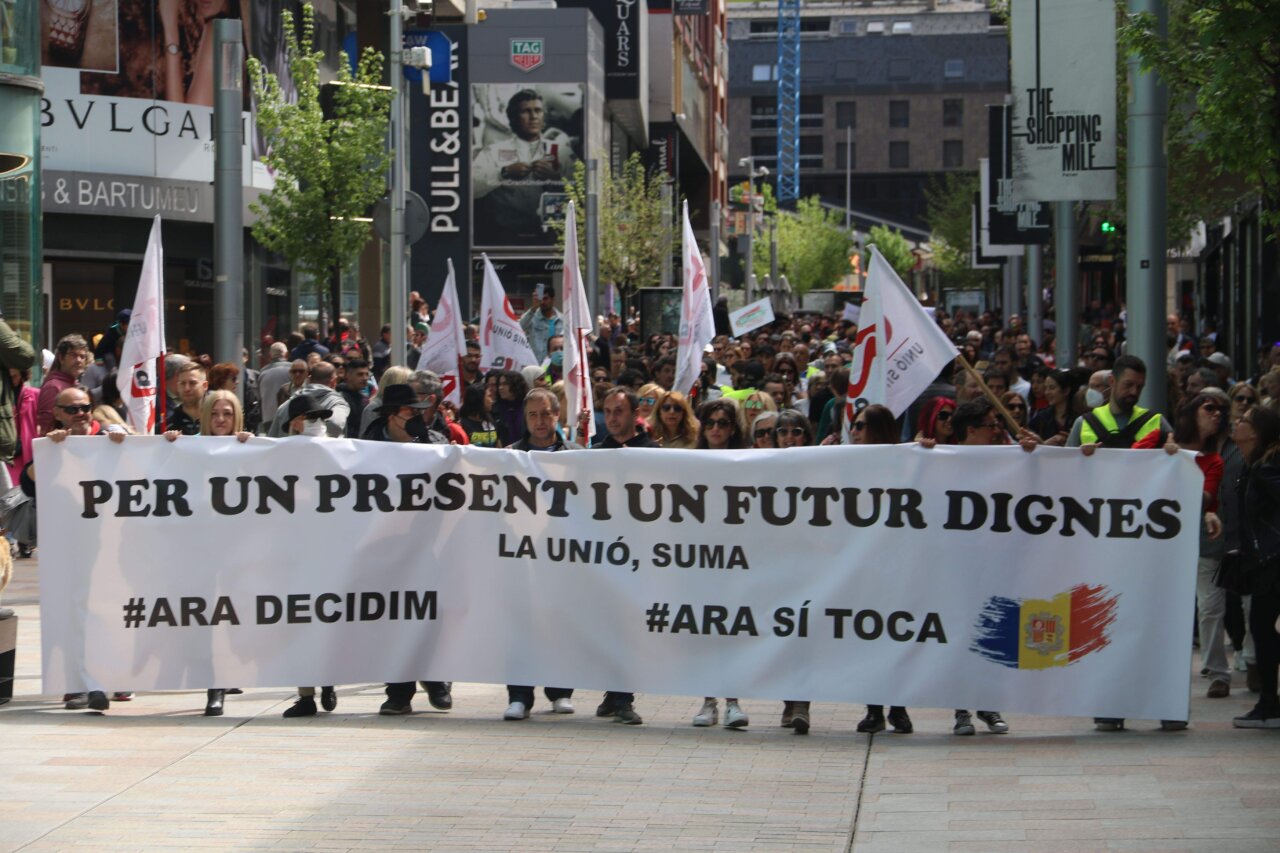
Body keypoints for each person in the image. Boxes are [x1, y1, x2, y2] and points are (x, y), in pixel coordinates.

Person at [161, 390, 253, 715]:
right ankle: (214, 683)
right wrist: (170, 447)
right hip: (198, 547)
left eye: (227, 414)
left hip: (236, 548)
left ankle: (227, 675)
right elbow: (163, 482)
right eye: (215, 414)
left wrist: (251, 451)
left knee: (234, 615)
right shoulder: (189, 446)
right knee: (206, 616)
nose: (221, 420)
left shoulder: (247, 446)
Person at [41, 386, 130, 712]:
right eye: (73, 409)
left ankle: (111, 676)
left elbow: (144, 462)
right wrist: (50, 454)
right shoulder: (51, 445)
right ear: (59, 413)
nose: (81, 414)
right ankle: (81, 684)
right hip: (72, 549)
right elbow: (27, 483)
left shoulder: (109, 435)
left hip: (113, 546)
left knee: (110, 613)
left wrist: (123, 439)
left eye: (86, 407)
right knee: (75, 614)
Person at [366, 384, 453, 715]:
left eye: (420, 411)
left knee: (430, 612)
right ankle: (399, 691)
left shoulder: (433, 444)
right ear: (392, 415)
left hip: (427, 544)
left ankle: (434, 677)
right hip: (383, 546)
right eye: (410, 411)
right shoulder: (365, 446)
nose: (417, 416)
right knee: (393, 616)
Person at [502, 387, 579, 720]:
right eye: (533, 415)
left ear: (557, 415)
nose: (540, 421)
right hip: (521, 557)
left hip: (562, 557)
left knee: (559, 623)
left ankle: (560, 691)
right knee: (521, 624)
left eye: (546, 414)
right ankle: (519, 695)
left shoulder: (577, 456)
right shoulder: (509, 457)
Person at [943, 400, 1011, 736]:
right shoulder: (943, 460)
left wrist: (1032, 452)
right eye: (990, 424)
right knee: (960, 635)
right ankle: (961, 710)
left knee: (991, 633)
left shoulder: (1006, 458)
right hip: (956, 566)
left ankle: (988, 704)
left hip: (993, 563)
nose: (997, 429)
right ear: (970, 430)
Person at [590, 387, 656, 725]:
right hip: (604, 554)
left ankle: (622, 696)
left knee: (629, 626)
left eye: (619, 411)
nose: (612, 418)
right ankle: (613, 694)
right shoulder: (595, 454)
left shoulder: (653, 452)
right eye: (608, 411)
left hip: (642, 556)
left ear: (634, 413)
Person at [684, 398, 750, 729]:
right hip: (701, 560)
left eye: (722, 423)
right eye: (709, 423)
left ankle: (734, 701)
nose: (715, 429)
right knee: (706, 632)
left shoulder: (749, 462)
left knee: (732, 631)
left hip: (738, 561)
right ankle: (709, 701)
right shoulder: (692, 463)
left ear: (733, 428)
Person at [852, 404, 914, 735]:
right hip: (863, 567)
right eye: (854, 425)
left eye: (861, 426)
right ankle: (874, 709)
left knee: (897, 635)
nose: (855, 431)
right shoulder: (847, 463)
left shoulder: (907, 460)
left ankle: (899, 707)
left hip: (898, 565)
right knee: (869, 637)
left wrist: (928, 453)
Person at [1229, 405, 1280, 728]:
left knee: (1262, 628)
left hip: (1273, 561)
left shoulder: (1266, 468)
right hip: (1265, 560)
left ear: (1257, 433)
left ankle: (1269, 705)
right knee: (1262, 629)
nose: (1237, 423)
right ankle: (1268, 703)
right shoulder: (1254, 466)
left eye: (1244, 421)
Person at [473, 90, 574, 242]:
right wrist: (503, 173)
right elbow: (472, 189)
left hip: (552, 240)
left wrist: (556, 178)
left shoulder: (562, 152)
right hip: (503, 239)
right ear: (513, 117)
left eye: (538, 110)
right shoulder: (493, 152)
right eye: (526, 111)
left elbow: (584, 192)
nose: (533, 116)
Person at [771, 408, 815, 733]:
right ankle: (788, 701)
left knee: (803, 632)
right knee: (782, 634)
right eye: (783, 431)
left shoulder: (821, 466)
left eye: (796, 431)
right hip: (771, 564)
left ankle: (801, 704)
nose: (789, 437)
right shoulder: (760, 467)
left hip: (809, 563)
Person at [1067, 355, 1167, 450]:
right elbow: (1067, 463)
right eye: (1128, 384)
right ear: (1112, 381)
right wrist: (1081, 456)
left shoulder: (1157, 421)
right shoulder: (1083, 423)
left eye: (1139, 387)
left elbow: (1178, 460)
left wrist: (1173, 449)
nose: (1134, 392)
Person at [268, 362, 350, 438]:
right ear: (334, 381)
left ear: (309, 379)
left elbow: (272, 438)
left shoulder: (285, 405)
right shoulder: (337, 403)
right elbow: (336, 425)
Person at [37, 334, 89, 437]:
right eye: (73, 355)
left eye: (82, 356)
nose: (79, 360)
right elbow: (46, 428)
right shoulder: (53, 387)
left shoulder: (75, 384)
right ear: (61, 358)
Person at [1030, 370, 1080, 445]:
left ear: (1066, 390)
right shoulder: (1041, 417)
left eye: (1052, 388)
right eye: (1045, 388)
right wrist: (1045, 443)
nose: (1047, 392)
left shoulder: (1079, 416)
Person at [519, 286, 564, 364]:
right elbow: (519, 326)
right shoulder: (532, 317)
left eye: (545, 299)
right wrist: (533, 308)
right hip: (537, 365)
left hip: (557, 365)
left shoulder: (562, 319)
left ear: (553, 299)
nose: (542, 302)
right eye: (540, 299)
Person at [167, 361, 208, 436]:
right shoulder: (167, 426)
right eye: (182, 383)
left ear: (205, 386)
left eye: (192, 383)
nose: (187, 388)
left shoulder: (217, 422)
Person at [457, 382, 500, 448]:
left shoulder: (491, 421)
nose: (492, 401)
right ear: (479, 398)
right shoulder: (461, 425)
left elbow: (499, 447)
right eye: (489, 396)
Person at [339, 358, 372, 438]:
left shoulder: (364, 399)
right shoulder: (340, 398)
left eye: (366, 374)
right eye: (360, 374)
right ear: (348, 376)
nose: (365, 378)